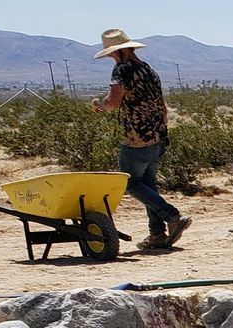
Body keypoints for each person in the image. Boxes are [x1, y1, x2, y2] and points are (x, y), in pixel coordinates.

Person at [90, 28, 190, 250]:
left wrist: (100, 105)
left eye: (110, 52)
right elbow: (162, 105)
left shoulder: (122, 70)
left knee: (129, 183)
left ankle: (172, 216)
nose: (109, 56)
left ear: (116, 52)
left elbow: (113, 102)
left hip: (137, 137)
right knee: (148, 185)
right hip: (157, 135)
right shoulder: (148, 69)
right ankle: (156, 235)